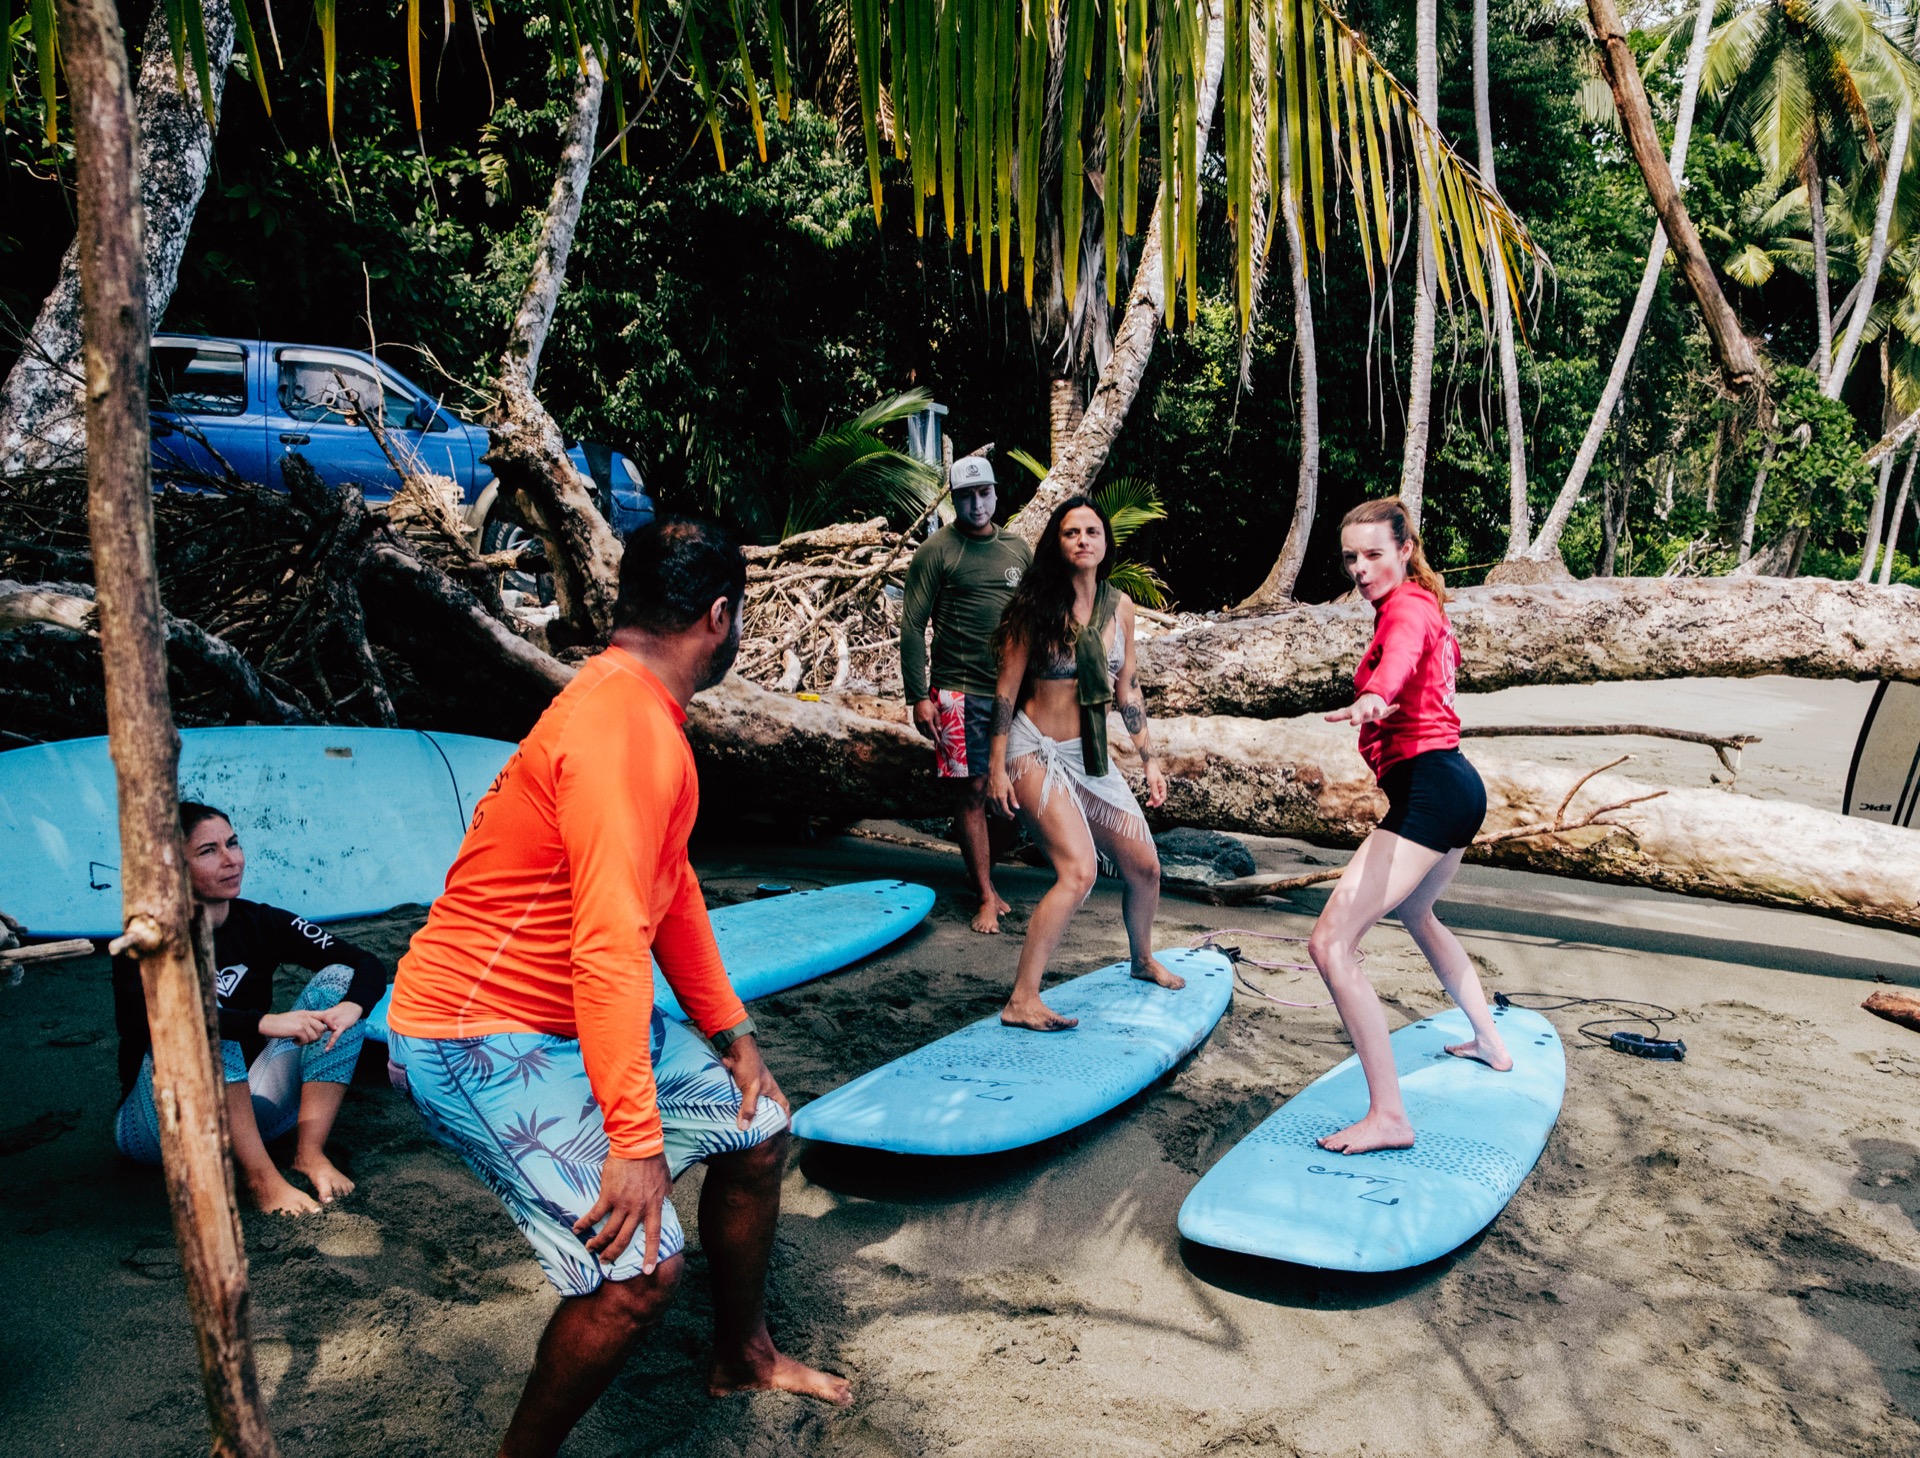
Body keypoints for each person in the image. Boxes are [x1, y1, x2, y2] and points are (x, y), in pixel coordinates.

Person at [384, 516, 850, 1458]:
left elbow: (672, 889)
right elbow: (606, 949)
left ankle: (744, 1355)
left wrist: (732, 1034)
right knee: (638, 1272)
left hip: (567, 1020)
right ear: (719, 617)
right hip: (473, 1031)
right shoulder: (620, 731)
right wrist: (634, 1142)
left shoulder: (641, 714)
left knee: (759, 1128)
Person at [1307, 497, 1510, 1155]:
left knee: (1331, 945)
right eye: (1351, 558)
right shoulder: (1422, 606)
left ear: (1404, 549)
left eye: (1374, 554)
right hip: (1455, 784)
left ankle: (1389, 1117)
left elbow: (1397, 659)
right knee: (1418, 913)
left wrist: (1374, 694)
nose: (1360, 569)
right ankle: (1490, 1041)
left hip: (1430, 791)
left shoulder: (1408, 608)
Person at [112, 802, 387, 1214]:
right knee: (201, 1026)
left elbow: (365, 963)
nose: (232, 860)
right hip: (162, 1134)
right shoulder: (144, 941)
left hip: (254, 1114)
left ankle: (309, 1153)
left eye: (233, 843)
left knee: (340, 980)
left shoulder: (260, 921)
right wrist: (262, 1022)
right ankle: (262, 1181)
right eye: (209, 851)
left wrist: (353, 1006)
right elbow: (153, 1023)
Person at [985, 494, 1180, 1031]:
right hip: (1033, 748)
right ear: (1058, 542)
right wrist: (997, 767)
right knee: (1078, 871)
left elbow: (1127, 689)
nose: (1082, 540)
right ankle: (1022, 999)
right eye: (1071, 532)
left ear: (1105, 542)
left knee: (1145, 868)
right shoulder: (1034, 606)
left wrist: (1149, 759)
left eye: (1092, 531)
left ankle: (1142, 959)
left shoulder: (1120, 608)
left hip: (1088, 752)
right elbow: (1005, 692)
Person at [900, 453, 1034, 934]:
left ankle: (983, 876)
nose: (977, 504)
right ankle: (984, 895)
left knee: (1016, 797)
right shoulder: (937, 551)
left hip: (1013, 696)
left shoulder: (1018, 550)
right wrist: (918, 696)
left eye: (984, 493)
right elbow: (912, 625)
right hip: (958, 693)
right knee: (974, 792)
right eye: (966, 496)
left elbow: (1035, 620)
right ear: (953, 500)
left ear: (996, 493)